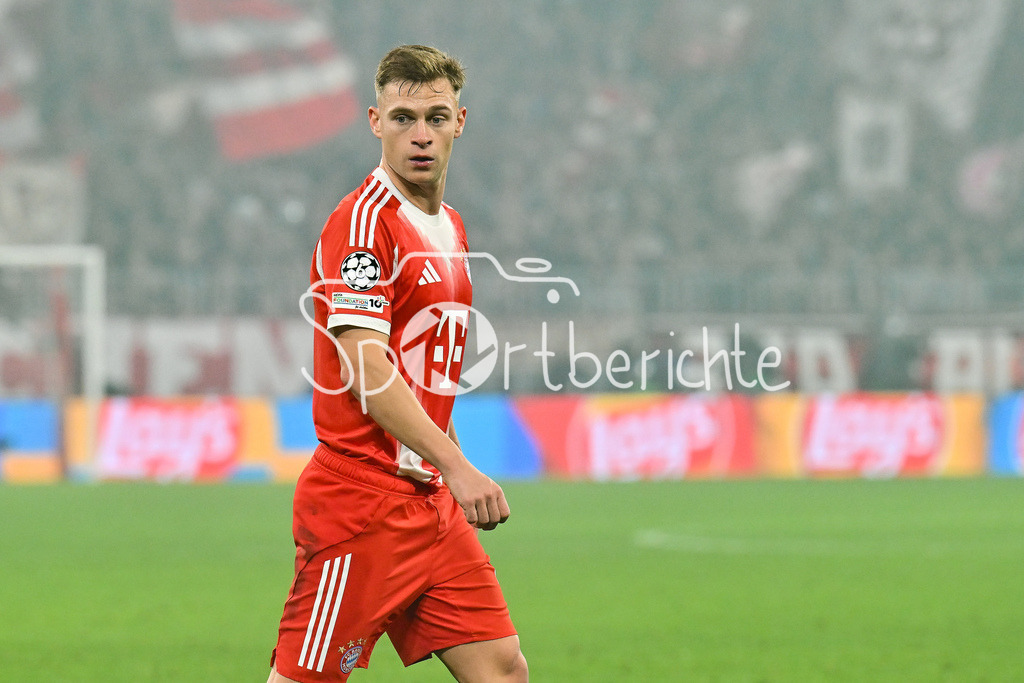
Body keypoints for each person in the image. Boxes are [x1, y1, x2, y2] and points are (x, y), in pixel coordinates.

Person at [267, 45, 528, 682]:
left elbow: (426, 373)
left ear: (460, 122)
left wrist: (446, 464)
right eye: (403, 116)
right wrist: (459, 466)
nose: (420, 134)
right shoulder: (362, 225)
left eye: (436, 117)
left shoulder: (452, 228)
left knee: (502, 668)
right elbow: (368, 369)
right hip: (361, 502)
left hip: (429, 503)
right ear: (374, 121)